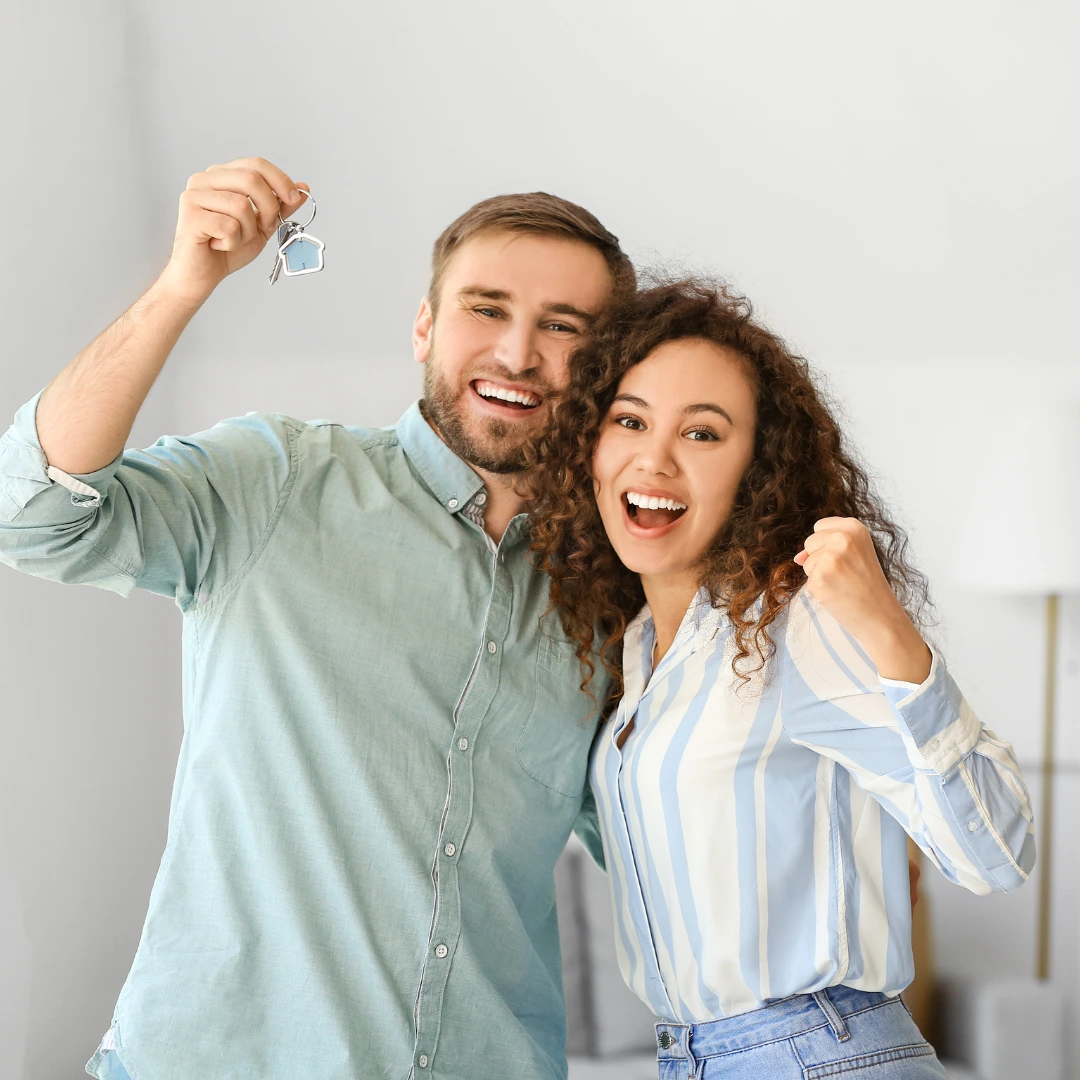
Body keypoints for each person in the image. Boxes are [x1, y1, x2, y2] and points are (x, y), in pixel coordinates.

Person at [0, 158, 633, 1080]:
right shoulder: (277, 479)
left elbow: (659, 852)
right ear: (424, 326)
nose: (518, 352)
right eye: (485, 309)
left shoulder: (614, 604)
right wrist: (186, 284)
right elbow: (32, 517)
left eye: (563, 328)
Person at [527, 279, 1034, 1079]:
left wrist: (886, 626)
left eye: (703, 433)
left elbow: (998, 854)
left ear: (756, 471)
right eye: (629, 420)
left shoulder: (796, 626)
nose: (653, 458)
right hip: (695, 1058)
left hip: (821, 1054)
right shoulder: (633, 656)